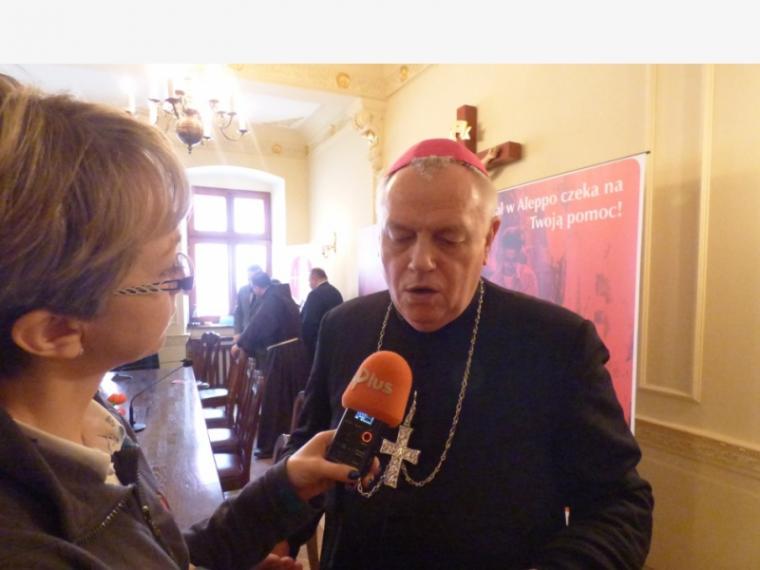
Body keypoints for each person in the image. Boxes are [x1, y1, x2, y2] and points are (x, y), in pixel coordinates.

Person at [0, 76, 372, 570]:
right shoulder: (28, 550)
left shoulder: (94, 423)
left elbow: (165, 556)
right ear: (55, 332)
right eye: (166, 268)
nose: (183, 280)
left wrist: (285, 484)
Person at [284, 138, 654, 569]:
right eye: (400, 236)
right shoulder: (344, 327)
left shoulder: (557, 344)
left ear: (488, 238)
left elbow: (619, 504)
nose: (420, 261)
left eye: (449, 238)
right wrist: (280, 538)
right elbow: (309, 453)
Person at [300, 268, 343, 364]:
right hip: (335, 342)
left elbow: (308, 323)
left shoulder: (314, 295)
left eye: (309, 281)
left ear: (314, 279)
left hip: (318, 344)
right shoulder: (336, 293)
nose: (309, 284)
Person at [233, 264, 263, 343]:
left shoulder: (265, 292)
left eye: (254, 278)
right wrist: (237, 332)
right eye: (249, 279)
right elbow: (238, 313)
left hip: (261, 335)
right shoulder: (243, 290)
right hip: (244, 333)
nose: (251, 282)